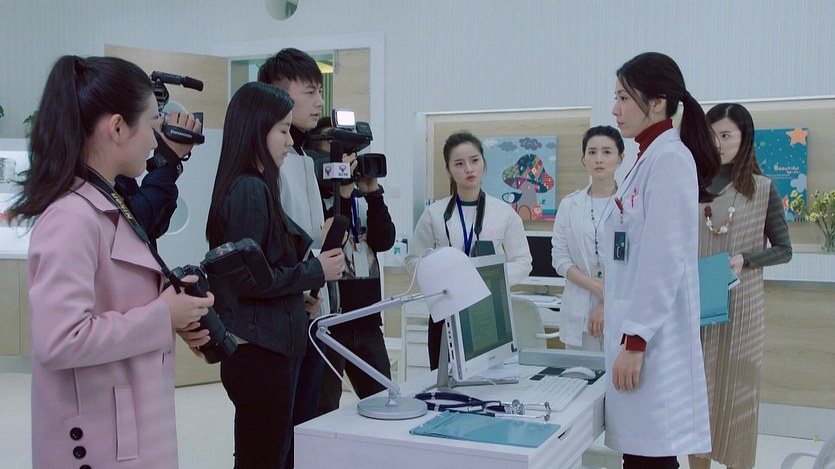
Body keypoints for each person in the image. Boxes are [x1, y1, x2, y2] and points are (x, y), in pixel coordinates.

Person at [8, 55, 213, 468]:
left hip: (127, 424)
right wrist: (162, 315)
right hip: (99, 441)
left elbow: (113, 302)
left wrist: (174, 313)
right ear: (118, 127)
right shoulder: (71, 217)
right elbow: (59, 340)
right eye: (152, 124)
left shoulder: (107, 200)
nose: (156, 141)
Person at [205, 82, 345, 468]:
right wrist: (315, 270)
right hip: (259, 353)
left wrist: (296, 295)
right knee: (264, 457)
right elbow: (250, 279)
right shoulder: (249, 189)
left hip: (266, 347)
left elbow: (260, 270)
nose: (290, 140)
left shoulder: (254, 186)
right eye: (282, 130)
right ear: (256, 130)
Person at [604, 51, 721, 468]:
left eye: (623, 98)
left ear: (657, 103)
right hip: (636, 331)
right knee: (642, 456)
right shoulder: (646, 158)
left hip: (652, 340)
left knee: (650, 458)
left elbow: (664, 259)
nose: (615, 109)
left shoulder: (670, 159)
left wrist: (636, 339)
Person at [688, 103, 792, 469]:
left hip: (743, 304)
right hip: (697, 302)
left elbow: (784, 250)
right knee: (697, 394)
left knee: (739, 394)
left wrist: (746, 258)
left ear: (744, 138)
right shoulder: (692, 185)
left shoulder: (763, 189)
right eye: (711, 135)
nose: (717, 143)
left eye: (726, 135)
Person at [257, 48, 335, 459]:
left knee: (305, 428)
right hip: (286, 311)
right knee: (277, 440)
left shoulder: (302, 158)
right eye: (310, 91)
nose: (320, 102)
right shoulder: (268, 165)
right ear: (276, 93)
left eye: (320, 91)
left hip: (311, 308)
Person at [405, 131, 532, 370]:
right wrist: (439, 274)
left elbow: (523, 262)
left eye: (474, 160)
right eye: (459, 164)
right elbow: (413, 260)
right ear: (448, 170)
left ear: (483, 162)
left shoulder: (505, 213)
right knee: (443, 380)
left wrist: (487, 279)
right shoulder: (434, 214)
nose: (469, 169)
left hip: (489, 309)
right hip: (446, 310)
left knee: (490, 378)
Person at [305, 117, 397, 414]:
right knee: (324, 409)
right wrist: (341, 194)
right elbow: (331, 239)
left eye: (350, 150)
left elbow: (384, 240)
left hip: (367, 318)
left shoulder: (361, 197)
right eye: (333, 148)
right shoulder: (311, 198)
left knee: (383, 401)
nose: (344, 157)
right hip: (331, 321)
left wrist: (374, 194)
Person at [551, 126, 624, 351]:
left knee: (618, 372)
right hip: (578, 311)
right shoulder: (569, 205)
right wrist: (596, 288)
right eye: (592, 152)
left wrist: (604, 302)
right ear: (584, 159)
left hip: (620, 309)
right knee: (578, 371)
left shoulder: (630, 205)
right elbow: (560, 258)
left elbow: (630, 261)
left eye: (607, 152)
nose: (598, 159)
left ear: (620, 158)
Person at [115, 109, 202, 246]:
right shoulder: (90, 181)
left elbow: (152, 228)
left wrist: (163, 160)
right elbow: (133, 224)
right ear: (117, 127)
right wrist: (168, 162)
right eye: (151, 126)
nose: (154, 144)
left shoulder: (117, 174)